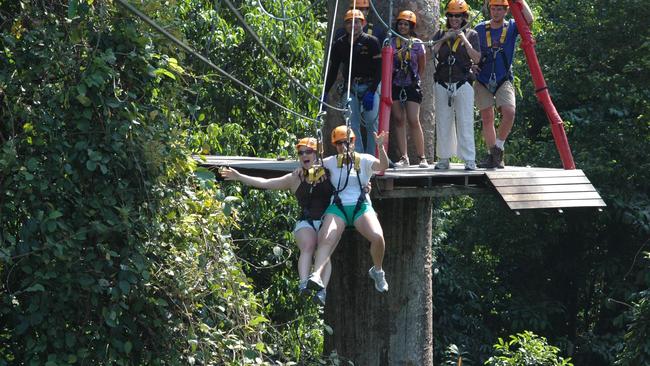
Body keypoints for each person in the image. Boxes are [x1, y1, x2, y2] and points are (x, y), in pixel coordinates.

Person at [220, 138, 333, 304]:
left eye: (308, 151)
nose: (304, 155)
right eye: (301, 153)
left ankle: (322, 290)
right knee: (308, 245)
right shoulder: (294, 177)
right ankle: (304, 284)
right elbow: (266, 183)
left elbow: (349, 176)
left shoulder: (329, 171)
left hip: (327, 220)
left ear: (316, 154)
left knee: (323, 253)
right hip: (307, 221)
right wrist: (239, 176)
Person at [306, 126, 390, 296]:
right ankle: (316, 275)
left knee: (378, 237)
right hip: (338, 207)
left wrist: (380, 146)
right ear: (335, 145)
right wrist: (314, 158)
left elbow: (383, 166)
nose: (342, 146)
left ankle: (378, 271)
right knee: (325, 238)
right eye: (338, 144)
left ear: (353, 142)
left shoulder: (364, 159)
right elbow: (311, 176)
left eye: (346, 142)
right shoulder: (330, 161)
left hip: (361, 207)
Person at [474, 0, 533, 168]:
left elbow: (529, 20)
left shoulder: (512, 27)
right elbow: (468, 49)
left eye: (500, 9)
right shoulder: (479, 28)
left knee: (509, 112)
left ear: (506, 10)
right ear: (489, 9)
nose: (496, 12)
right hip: (482, 79)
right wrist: (470, 65)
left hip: (503, 78)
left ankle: (497, 150)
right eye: (493, 8)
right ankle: (493, 156)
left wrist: (520, 1)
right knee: (487, 116)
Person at [324, 9, 382, 155]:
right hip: (351, 87)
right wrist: (325, 91)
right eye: (349, 23)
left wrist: (372, 90)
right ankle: (359, 157)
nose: (353, 25)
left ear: (362, 23)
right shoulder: (340, 44)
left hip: (370, 85)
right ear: (345, 25)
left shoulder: (371, 42)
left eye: (356, 22)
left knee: (371, 123)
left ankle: (372, 158)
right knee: (352, 123)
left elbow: (379, 70)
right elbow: (333, 70)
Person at [432, 0, 481, 170]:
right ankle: (444, 158)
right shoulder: (440, 33)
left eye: (458, 16)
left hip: (463, 81)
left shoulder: (472, 34)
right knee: (443, 120)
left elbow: (476, 58)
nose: (454, 19)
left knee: (465, 120)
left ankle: (469, 159)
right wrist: (445, 38)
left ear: (464, 17)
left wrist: (463, 40)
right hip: (442, 81)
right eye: (451, 15)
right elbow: (431, 53)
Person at [390, 10, 428, 168]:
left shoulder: (417, 44)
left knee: (413, 119)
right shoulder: (392, 42)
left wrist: (416, 79)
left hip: (411, 85)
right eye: (400, 24)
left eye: (406, 24)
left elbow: (422, 64)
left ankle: (422, 157)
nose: (402, 27)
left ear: (411, 26)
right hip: (396, 84)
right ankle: (404, 157)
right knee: (398, 119)